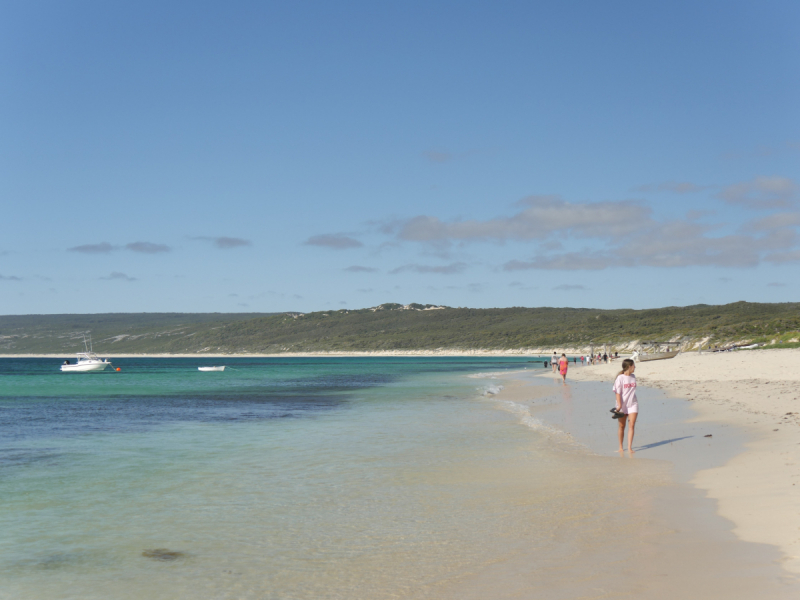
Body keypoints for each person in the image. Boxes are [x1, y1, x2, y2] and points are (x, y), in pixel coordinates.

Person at [612, 358, 638, 453]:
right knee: (622, 426)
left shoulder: (633, 376)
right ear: (629, 366)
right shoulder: (620, 378)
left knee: (631, 425)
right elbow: (617, 393)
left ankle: (630, 447)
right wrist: (619, 406)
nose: (635, 367)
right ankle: (620, 447)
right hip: (622, 405)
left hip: (633, 404)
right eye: (634, 365)